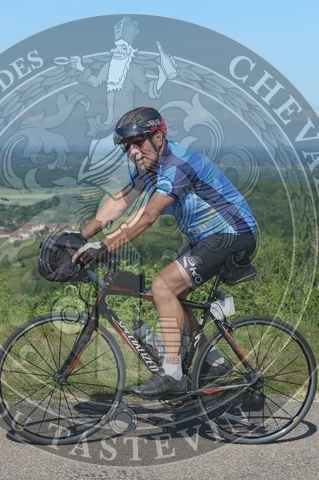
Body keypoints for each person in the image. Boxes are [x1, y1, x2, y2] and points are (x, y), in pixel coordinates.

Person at [71, 107, 258, 398]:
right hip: (208, 238)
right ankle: (213, 361)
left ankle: (172, 374)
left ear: (158, 136)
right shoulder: (149, 168)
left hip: (233, 234)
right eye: (127, 147)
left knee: (163, 286)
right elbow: (120, 201)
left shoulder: (177, 164)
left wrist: (104, 246)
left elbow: (148, 215)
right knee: (174, 295)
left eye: (138, 142)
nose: (133, 152)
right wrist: (79, 237)